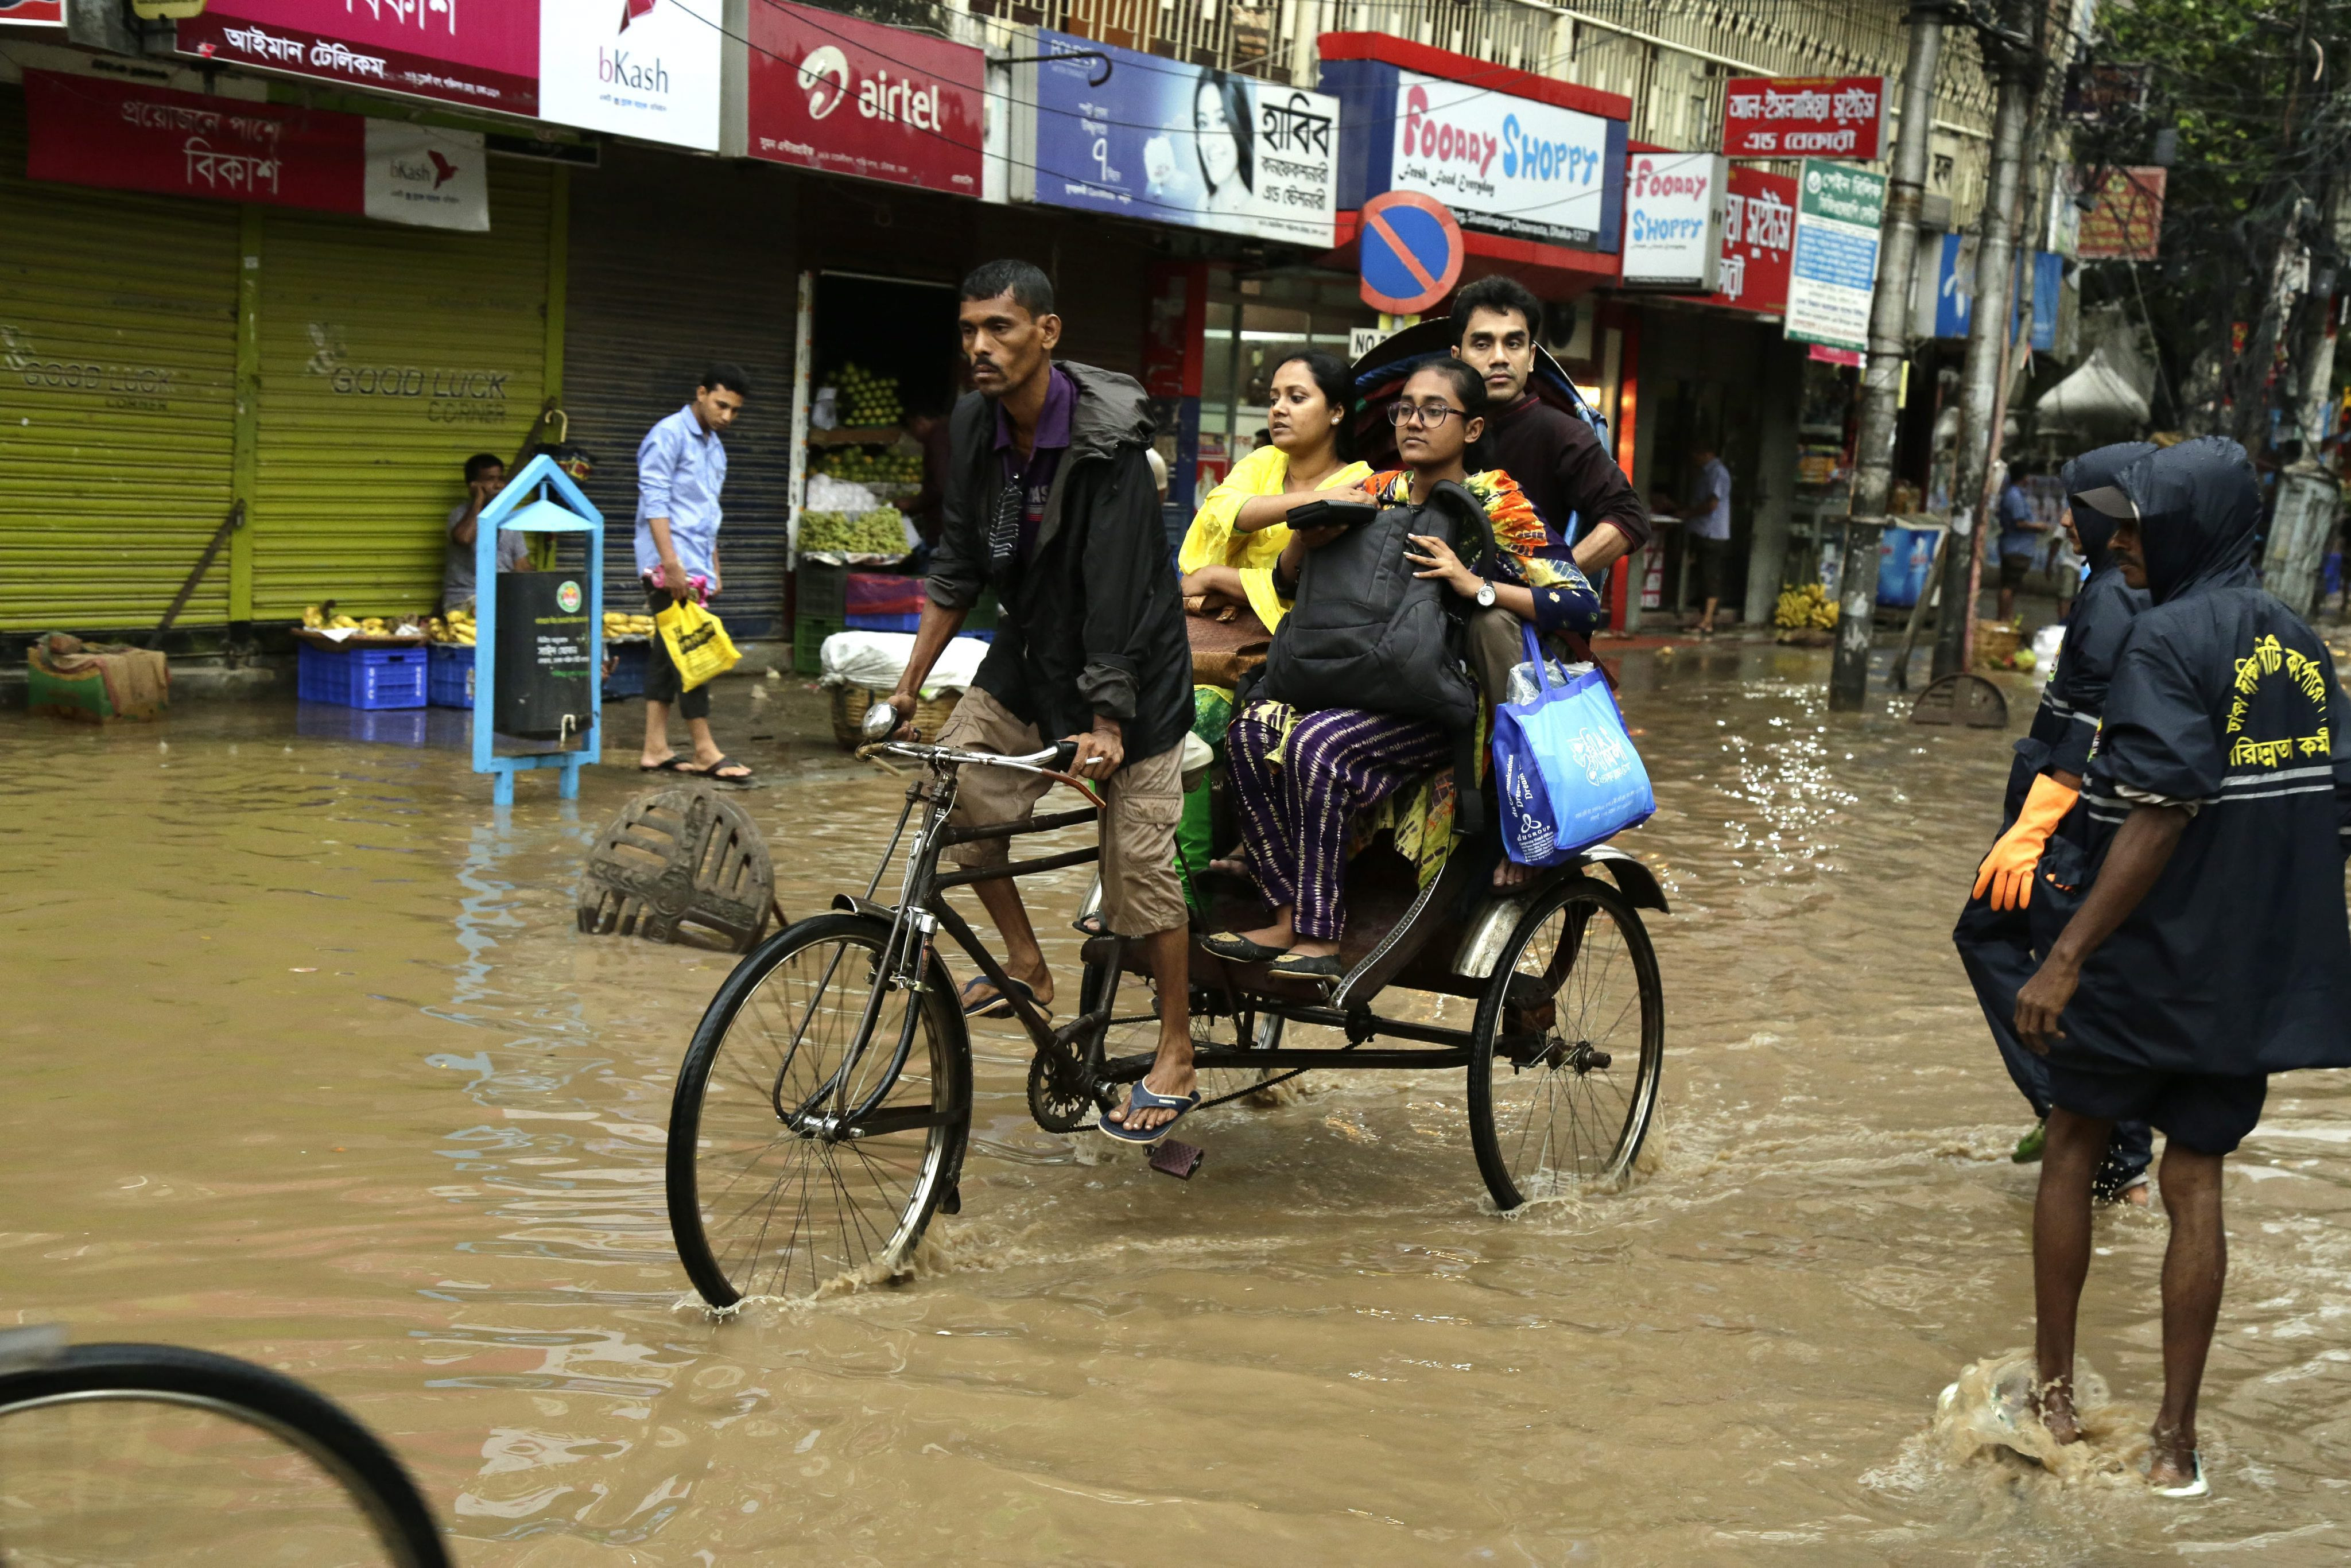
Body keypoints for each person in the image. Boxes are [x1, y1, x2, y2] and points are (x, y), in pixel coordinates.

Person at [2014, 436, 2351, 1496]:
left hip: (2143, 956)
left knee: (2074, 1143)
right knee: (2194, 1178)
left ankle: (2054, 1397)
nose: (2119, 538)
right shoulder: (2304, 644)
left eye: (2138, 521)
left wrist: (2066, 955)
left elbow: (2159, 811)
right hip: (2242, 977)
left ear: (2187, 526)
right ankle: (2175, 1446)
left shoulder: (2162, 639)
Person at [877, 260, 1198, 1144]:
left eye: (1001, 329)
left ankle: (1175, 1047)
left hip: (1132, 671)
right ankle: (1026, 960)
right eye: (970, 329)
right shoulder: (977, 423)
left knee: (1137, 870)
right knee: (958, 796)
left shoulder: (1111, 452)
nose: (980, 346)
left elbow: (1125, 597)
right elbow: (957, 564)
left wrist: (1108, 722)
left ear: (1047, 335)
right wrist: (907, 690)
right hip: (1032, 650)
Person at [1206, 358, 1602, 978]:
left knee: (1316, 744)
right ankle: (1282, 915)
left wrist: (1477, 584)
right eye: (1405, 409)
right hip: (1348, 678)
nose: (1414, 421)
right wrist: (1303, 540)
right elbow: (1286, 585)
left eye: (1433, 410)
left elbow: (1580, 602)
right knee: (1250, 730)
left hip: (1433, 700)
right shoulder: (1370, 491)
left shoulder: (1496, 500)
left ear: (1471, 430)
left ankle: (1320, 938)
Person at [1951, 442, 2155, 1204]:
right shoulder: (2126, 585)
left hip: (2067, 817)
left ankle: (2092, 1126)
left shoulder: (2113, 594)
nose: (2064, 521)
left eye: (2078, 508)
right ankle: (2098, 1130)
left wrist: (2032, 829)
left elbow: (2091, 726)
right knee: (2073, 963)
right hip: (2079, 813)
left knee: (1991, 934)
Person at [1450, 275, 1649, 583]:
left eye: (1513, 343)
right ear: (1457, 358)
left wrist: (1550, 579)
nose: (1499, 357)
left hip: (1528, 624)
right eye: (1482, 344)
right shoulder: (1438, 424)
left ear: (1530, 358)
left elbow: (1628, 517)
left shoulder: (1562, 432)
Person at [1179, 350, 1372, 632]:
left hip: (1302, 647)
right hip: (1218, 639)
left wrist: (1214, 578)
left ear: (1337, 412)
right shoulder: (1264, 460)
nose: (1278, 409)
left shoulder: (1359, 484)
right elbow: (1220, 512)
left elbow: (1305, 589)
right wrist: (1318, 501)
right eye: (1274, 399)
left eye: (1296, 398)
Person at [634, 366, 751, 782]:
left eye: (734, 411)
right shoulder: (667, 435)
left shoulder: (715, 448)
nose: (726, 416)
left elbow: (707, 515)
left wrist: (712, 569)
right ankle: (704, 750)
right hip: (667, 565)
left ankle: (655, 747)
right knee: (692, 652)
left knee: (669, 653)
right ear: (701, 393)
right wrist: (672, 566)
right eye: (721, 405)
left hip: (694, 566)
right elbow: (656, 502)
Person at [442, 453, 529, 612]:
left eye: (500, 479)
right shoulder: (460, 515)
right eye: (490, 479)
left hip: (502, 598)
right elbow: (464, 538)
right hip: (465, 600)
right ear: (473, 486)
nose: (498, 486)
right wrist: (479, 500)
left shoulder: (510, 518)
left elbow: (521, 565)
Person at [1193, 71, 1255, 217]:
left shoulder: (1256, 215)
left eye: (1222, 120)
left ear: (1240, 123)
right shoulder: (1202, 206)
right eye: (1203, 123)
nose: (1211, 140)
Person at [1687, 440, 1731, 636]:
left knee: (1710, 576)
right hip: (1702, 530)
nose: (1694, 460)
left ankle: (1708, 621)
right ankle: (1702, 618)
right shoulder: (1706, 473)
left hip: (1713, 532)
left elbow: (1712, 504)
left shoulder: (1718, 473)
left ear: (1706, 453)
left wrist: (1690, 513)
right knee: (1702, 574)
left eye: (1696, 455)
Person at [1995, 464, 2043, 622]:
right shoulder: (2014, 496)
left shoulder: (2014, 494)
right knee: (2009, 586)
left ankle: (2006, 618)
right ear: (2023, 477)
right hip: (2016, 548)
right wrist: (2039, 527)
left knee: (2011, 587)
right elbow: (2020, 523)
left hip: (2016, 547)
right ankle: (2004, 620)